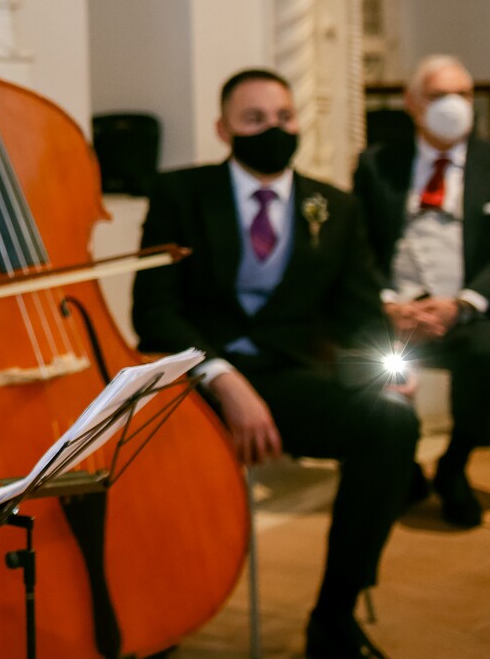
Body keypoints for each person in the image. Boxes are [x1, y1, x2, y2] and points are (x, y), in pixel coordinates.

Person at [133, 68, 416, 659]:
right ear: (223, 129)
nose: (274, 129)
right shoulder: (179, 195)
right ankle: (155, 614)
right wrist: (222, 377)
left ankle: (334, 617)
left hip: (289, 380)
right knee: (127, 450)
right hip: (195, 383)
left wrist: (386, 372)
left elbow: (360, 314)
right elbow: (154, 311)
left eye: (284, 117)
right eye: (254, 120)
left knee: (391, 423)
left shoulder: (334, 207)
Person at [355, 53, 488, 527]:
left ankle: (453, 465)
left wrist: (463, 305)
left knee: (486, 353)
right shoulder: (377, 166)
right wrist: (389, 304)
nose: (453, 105)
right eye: (438, 96)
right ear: (412, 104)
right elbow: (361, 245)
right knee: (359, 352)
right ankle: (402, 463)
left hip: (467, 311)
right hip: (397, 312)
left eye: (464, 95)